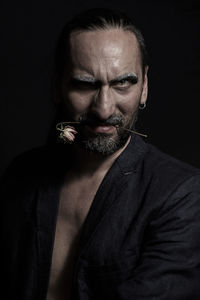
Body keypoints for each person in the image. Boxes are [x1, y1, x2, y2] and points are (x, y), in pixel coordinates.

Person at [1, 8, 200, 300]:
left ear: (144, 86)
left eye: (123, 83)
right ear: (57, 86)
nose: (104, 109)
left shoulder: (181, 194)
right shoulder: (22, 174)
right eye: (85, 84)